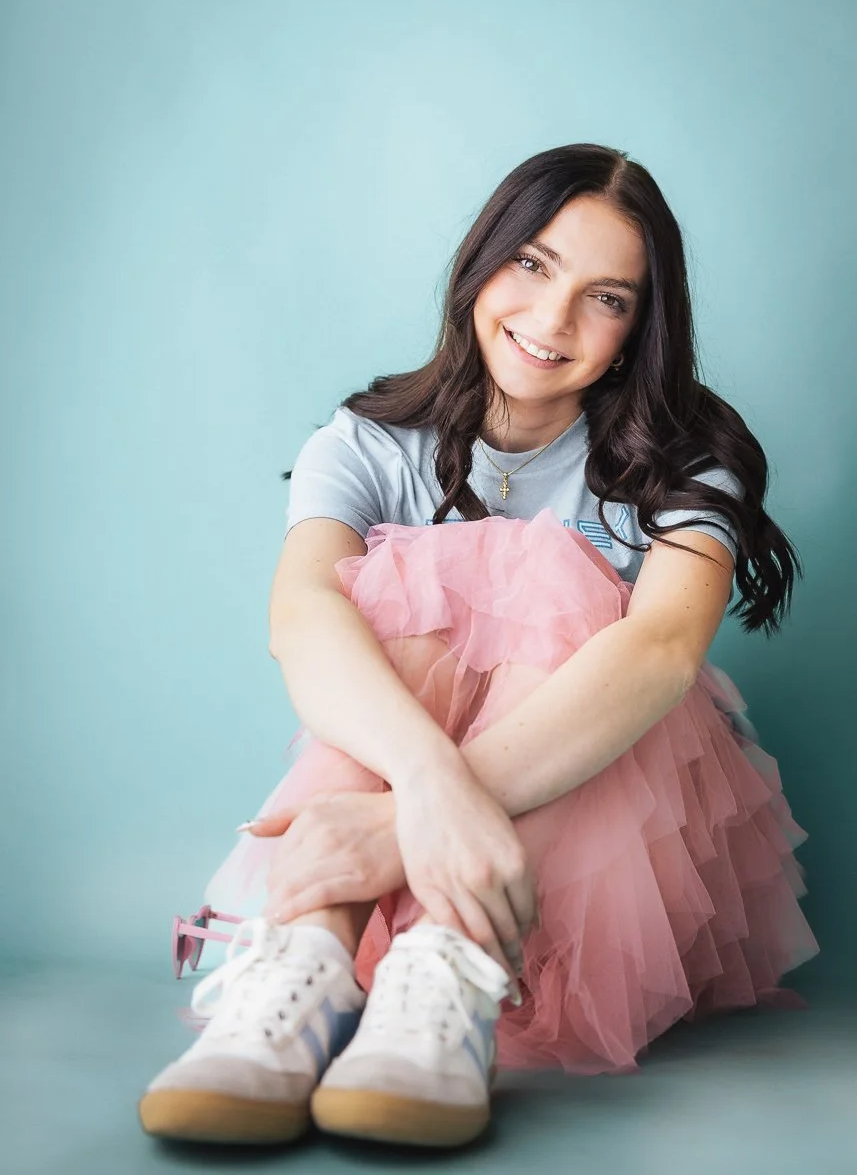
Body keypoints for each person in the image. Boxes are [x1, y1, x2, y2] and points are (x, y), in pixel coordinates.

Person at [138, 142, 820, 1150]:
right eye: (532, 265)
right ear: (479, 263)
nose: (551, 321)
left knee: (545, 576)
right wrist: (423, 792)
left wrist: (396, 826)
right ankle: (307, 969)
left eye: (606, 298)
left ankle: (442, 969)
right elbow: (302, 619)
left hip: (611, 839)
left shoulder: (687, 459)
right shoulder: (365, 440)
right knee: (383, 603)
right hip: (426, 795)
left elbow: (662, 653)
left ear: (640, 327)